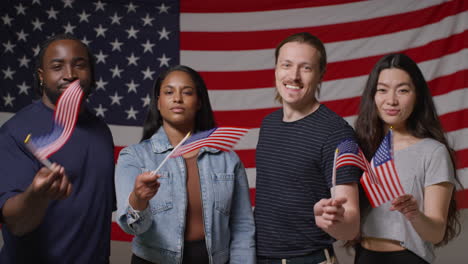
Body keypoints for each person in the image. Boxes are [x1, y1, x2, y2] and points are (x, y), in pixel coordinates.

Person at [115, 65, 255, 264]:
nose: (177, 98)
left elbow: (242, 227)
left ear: (198, 102)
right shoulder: (134, 157)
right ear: (159, 102)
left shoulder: (228, 160)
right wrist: (138, 199)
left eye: (187, 92)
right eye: (169, 92)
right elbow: (132, 227)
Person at [0, 34, 115, 263]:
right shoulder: (15, 132)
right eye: (57, 66)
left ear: (90, 74)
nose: (70, 74)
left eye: (79, 65)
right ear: (42, 76)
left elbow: (98, 212)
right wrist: (35, 195)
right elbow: (16, 222)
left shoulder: (101, 130)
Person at [254, 32, 362, 264]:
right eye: (286, 65)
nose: (293, 76)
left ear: (320, 75)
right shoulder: (269, 124)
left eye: (306, 68)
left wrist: (334, 220)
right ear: (275, 69)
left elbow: (351, 225)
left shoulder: (337, 133)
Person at [354, 53, 460, 264]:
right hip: (364, 256)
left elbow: (436, 233)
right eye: (382, 90)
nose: (391, 100)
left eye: (402, 90)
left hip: (408, 257)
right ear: (372, 96)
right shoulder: (359, 149)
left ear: (417, 95)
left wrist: (414, 214)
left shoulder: (433, 152)